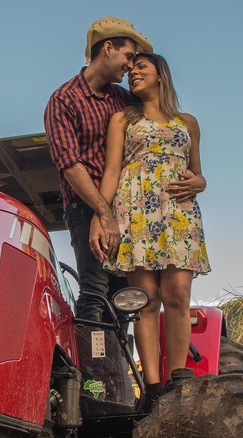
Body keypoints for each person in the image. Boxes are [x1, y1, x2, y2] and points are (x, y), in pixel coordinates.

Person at [94, 52, 209, 405]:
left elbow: (199, 172)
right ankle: (153, 388)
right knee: (145, 301)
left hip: (178, 212)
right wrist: (103, 217)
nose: (134, 74)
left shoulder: (187, 122)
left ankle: (179, 382)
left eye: (141, 67)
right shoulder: (122, 120)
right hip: (137, 211)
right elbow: (112, 171)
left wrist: (200, 183)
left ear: (161, 74)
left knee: (177, 296)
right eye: (131, 71)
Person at [45, 17, 160, 321]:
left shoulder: (123, 100)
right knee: (95, 290)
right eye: (128, 56)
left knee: (126, 296)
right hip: (85, 209)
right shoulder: (63, 100)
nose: (131, 66)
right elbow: (70, 164)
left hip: (127, 209)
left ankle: (118, 366)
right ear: (108, 48)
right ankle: (94, 366)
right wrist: (102, 212)